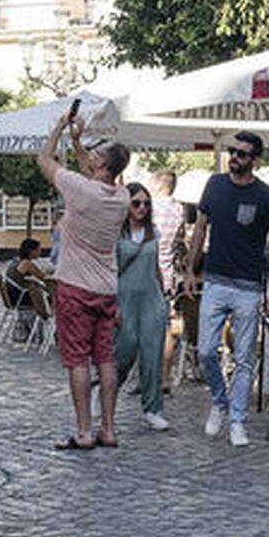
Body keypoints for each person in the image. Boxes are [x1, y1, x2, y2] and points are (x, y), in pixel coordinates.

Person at [183, 130, 269, 449]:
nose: (235, 157)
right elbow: (200, 228)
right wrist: (190, 269)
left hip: (248, 286)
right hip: (215, 280)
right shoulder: (214, 185)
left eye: (242, 154)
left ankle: (237, 420)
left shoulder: (267, 195)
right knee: (205, 351)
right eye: (233, 151)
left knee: (244, 358)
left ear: (255, 159)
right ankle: (219, 399)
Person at [37, 111, 131, 450]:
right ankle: (109, 428)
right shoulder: (121, 198)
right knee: (105, 358)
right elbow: (88, 174)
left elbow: (44, 160)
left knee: (77, 359)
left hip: (76, 287)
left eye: (95, 153)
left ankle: (84, 431)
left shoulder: (81, 190)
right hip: (106, 289)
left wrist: (60, 127)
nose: (89, 156)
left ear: (102, 165)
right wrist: (78, 143)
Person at [115, 182, 170, 432]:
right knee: (124, 351)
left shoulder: (154, 233)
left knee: (152, 356)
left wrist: (163, 298)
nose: (142, 208)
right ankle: (106, 389)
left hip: (151, 299)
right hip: (124, 298)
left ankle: (152, 408)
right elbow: (109, 270)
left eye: (146, 203)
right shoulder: (116, 233)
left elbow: (156, 268)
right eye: (136, 203)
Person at [148, 170, 186, 392]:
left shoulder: (149, 207)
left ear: (159, 185)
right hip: (168, 274)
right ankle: (165, 378)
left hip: (147, 272)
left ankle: (147, 376)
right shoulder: (178, 209)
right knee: (165, 330)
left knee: (143, 327)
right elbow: (179, 242)